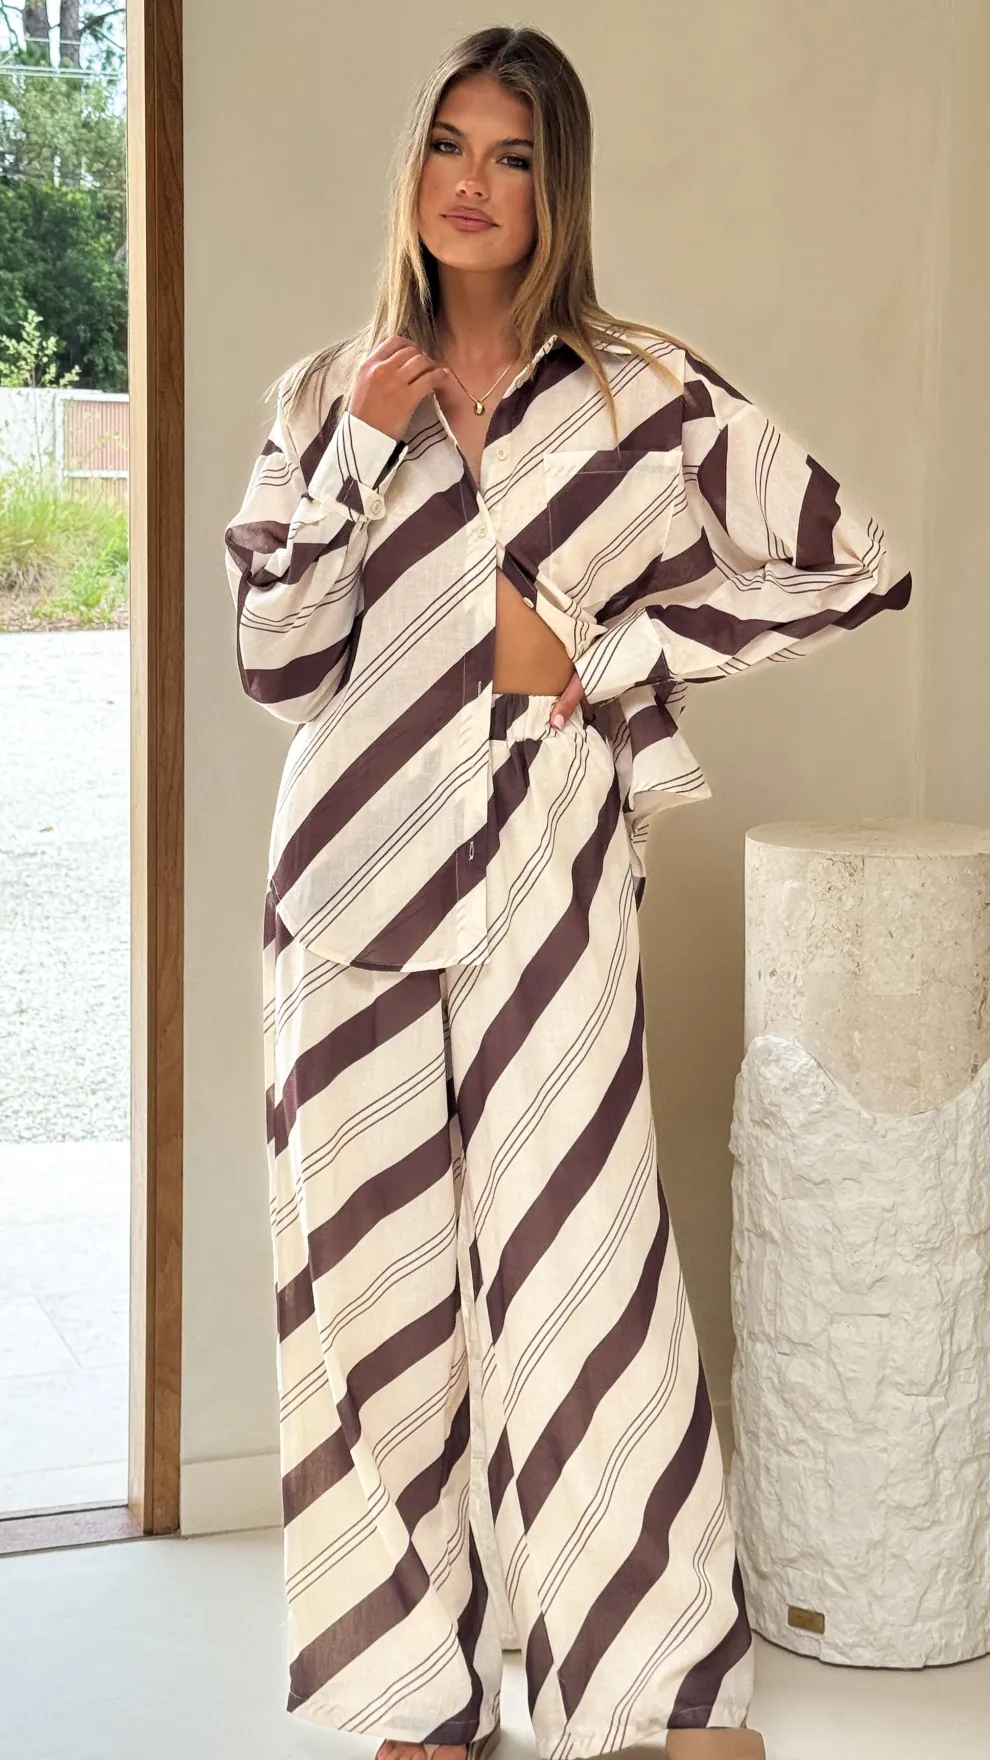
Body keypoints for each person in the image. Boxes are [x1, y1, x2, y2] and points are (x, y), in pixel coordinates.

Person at [223, 24, 910, 1760]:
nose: (472, 182)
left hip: (548, 858)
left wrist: (611, 651)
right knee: (369, 1292)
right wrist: (352, 459)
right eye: (449, 144)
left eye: (513, 155)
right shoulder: (321, 397)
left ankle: (660, 1688)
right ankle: (418, 1696)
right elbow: (277, 669)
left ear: (557, 187)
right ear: (412, 165)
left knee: (583, 1269)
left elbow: (854, 560)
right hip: (347, 883)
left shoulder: (643, 392)